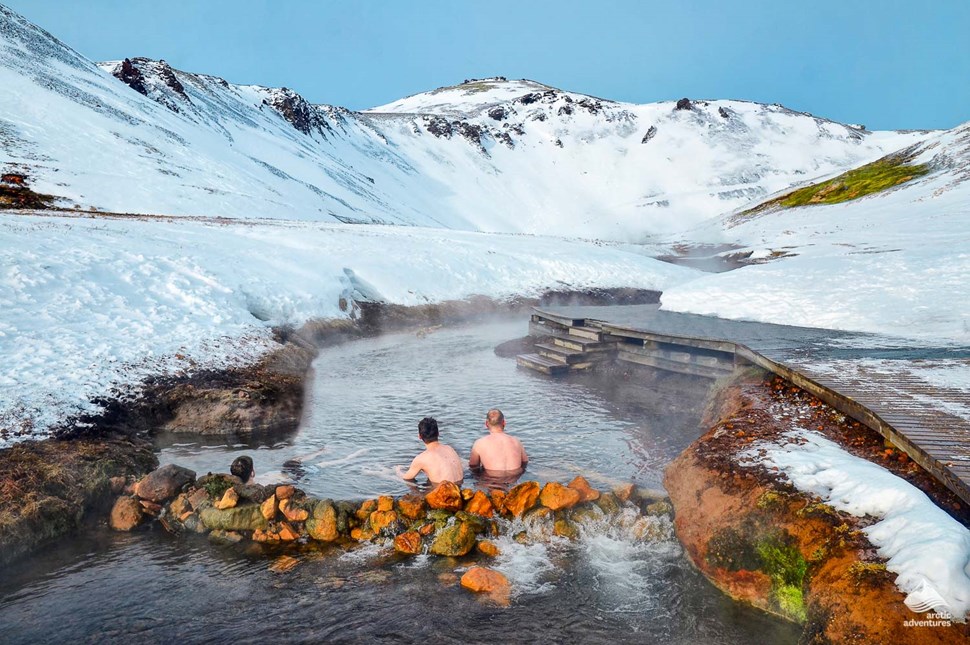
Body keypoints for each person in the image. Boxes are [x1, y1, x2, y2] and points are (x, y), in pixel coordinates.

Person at [396, 417, 464, 484]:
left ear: (419, 436)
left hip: (443, 491)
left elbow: (406, 478)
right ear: (438, 433)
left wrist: (397, 471)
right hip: (459, 487)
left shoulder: (421, 458)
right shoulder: (450, 449)